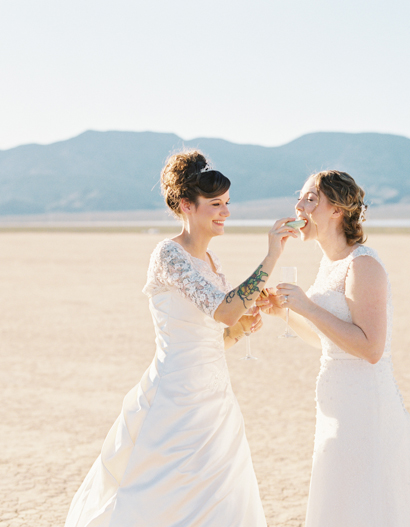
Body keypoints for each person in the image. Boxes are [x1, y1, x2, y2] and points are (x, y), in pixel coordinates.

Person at [65, 150, 297, 527]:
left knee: (220, 493)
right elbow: (222, 310)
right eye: (215, 204)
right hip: (175, 397)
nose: (225, 212)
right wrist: (272, 254)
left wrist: (239, 330)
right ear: (187, 205)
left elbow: (214, 335)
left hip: (216, 397)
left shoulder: (212, 262)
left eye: (227, 204)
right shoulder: (169, 255)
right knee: (164, 495)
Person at [257, 170, 410, 527]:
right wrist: (284, 312)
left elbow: (371, 348)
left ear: (337, 210)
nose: (300, 205)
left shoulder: (363, 264)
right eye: (300, 197)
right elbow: (326, 340)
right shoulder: (329, 264)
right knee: (342, 499)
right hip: (335, 399)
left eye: (311, 198)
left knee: (372, 498)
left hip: (366, 402)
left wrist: (308, 307)